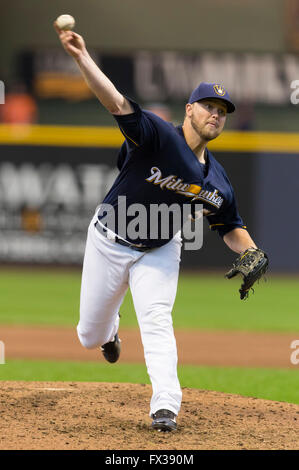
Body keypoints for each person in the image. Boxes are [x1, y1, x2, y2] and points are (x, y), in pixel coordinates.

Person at [54, 23, 258, 432]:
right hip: (108, 240)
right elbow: (114, 101)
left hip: (161, 249)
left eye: (222, 112)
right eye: (208, 106)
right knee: (88, 336)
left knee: (157, 320)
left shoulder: (217, 180)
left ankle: (165, 405)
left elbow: (230, 225)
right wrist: (81, 57)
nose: (215, 115)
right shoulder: (156, 136)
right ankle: (110, 332)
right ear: (189, 108)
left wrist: (253, 250)